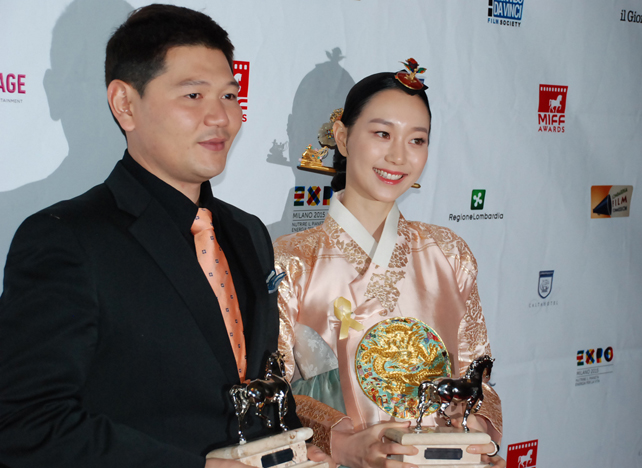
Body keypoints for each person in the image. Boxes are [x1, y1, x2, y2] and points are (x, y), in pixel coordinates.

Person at [0, 5, 328, 468]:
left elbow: (257, 388)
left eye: (230, 96)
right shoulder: (64, 239)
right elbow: (27, 421)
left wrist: (305, 445)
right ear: (125, 104)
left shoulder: (246, 231)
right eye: (193, 96)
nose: (222, 118)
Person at [274, 63, 505, 468]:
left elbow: (477, 378)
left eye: (417, 140)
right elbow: (273, 390)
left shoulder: (449, 254)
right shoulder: (291, 260)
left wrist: (476, 432)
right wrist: (343, 443)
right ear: (343, 137)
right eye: (382, 134)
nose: (399, 156)